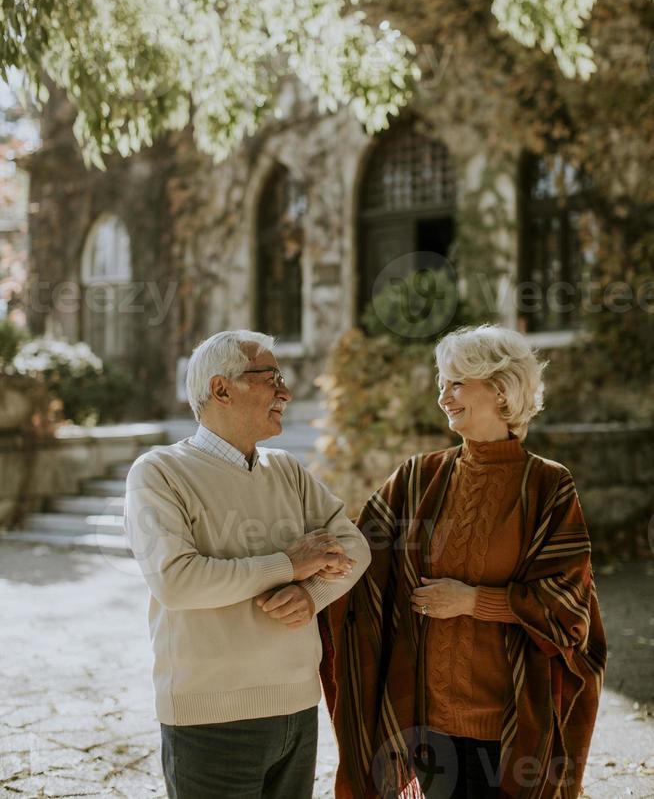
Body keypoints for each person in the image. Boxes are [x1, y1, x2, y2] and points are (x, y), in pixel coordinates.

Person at [321, 324, 607, 799]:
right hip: (427, 725)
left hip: (513, 726)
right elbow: (356, 556)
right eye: (441, 384)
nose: (443, 397)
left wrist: (475, 601)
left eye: (456, 384)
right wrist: (291, 570)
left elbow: (570, 610)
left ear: (499, 388)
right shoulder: (417, 477)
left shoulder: (546, 486)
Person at [124, 329, 371, 799]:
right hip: (209, 720)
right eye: (271, 377)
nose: (286, 391)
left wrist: (311, 593)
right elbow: (177, 582)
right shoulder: (158, 473)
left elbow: (354, 547)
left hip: (299, 709)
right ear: (221, 388)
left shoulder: (288, 469)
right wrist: (288, 564)